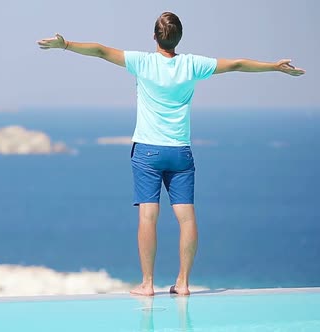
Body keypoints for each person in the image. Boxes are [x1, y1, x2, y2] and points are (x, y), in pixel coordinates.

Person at [37, 12, 305, 296]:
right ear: (179, 38)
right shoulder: (192, 65)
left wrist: (65, 45)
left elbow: (101, 51)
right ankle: (184, 283)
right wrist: (274, 67)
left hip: (148, 152)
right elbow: (237, 64)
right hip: (180, 153)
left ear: (154, 37)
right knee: (187, 218)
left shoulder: (142, 62)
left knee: (148, 217)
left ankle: (147, 283)